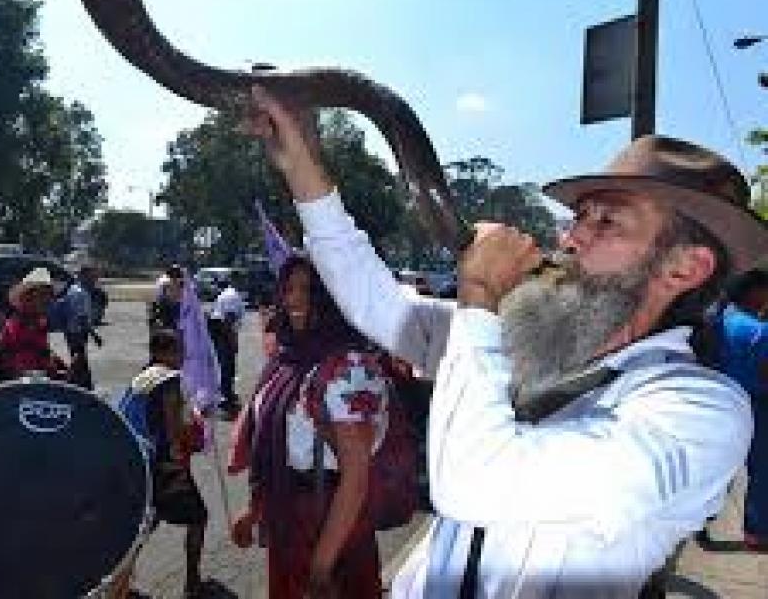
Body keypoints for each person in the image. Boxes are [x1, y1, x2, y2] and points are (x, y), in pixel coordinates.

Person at [246, 86, 766, 598]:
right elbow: (375, 304)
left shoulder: (700, 412)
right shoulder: (533, 339)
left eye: (607, 221)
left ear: (683, 268)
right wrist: (303, 169)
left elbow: (475, 482)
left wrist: (479, 293)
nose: (570, 239)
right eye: (580, 217)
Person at [229, 255, 391, 599]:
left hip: (331, 526)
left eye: (310, 290)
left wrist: (320, 566)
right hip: (288, 518)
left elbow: (356, 479)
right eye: (288, 289)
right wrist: (255, 509)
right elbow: (275, 446)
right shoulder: (286, 361)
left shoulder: (351, 368)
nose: (294, 300)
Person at [114, 329, 207, 599]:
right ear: (162, 353)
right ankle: (192, 581)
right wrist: (184, 450)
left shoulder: (142, 377)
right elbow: (173, 427)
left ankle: (119, 585)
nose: (183, 356)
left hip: (135, 460)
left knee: (143, 526)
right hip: (162, 465)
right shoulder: (168, 379)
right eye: (177, 350)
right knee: (198, 518)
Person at [708, 269, 768, 550]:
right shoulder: (759, 330)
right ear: (756, 293)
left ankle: (701, 520)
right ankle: (755, 534)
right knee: (761, 470)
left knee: (719, 467)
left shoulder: (720, 319)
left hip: (718, 402)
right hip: (755, 405)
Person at [0, 268, 66, 380]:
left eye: (48, 295)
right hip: (24, 384)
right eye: (42, 295)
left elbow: (44, 351)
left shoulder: (39, 322)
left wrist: (57, 366)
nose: (47, 300)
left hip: (39, 379)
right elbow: (17, 361)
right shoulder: (16, 324)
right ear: (27, 297)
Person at [60, 265, 103, 390]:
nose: (94, 280)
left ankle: (80, 382)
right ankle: (76, 383)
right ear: (83, 276)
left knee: (78, 357)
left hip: (70, 330)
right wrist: (95, 336)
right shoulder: (81, 293)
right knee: (79, 358)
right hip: (78, 331)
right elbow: (82, 318)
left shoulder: (72, 289)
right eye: (92, 277)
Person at [209, 277, 246, 415]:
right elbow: (228, 321)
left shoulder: (227, 295)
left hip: (221, 332)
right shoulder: (231, 295)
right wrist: (232, 341)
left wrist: (231, 339)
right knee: (226, 366)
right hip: (222, 333)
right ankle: (225, 397)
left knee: (226, 366)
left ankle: (226, 394)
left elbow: (228, 320)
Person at [150, 264, 184, 331]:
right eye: (173, 275)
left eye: (177, 275)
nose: (175, 278)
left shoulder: (182, 283)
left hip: (177, 305)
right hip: (167, 305)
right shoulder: (164, 282)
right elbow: (160, 295)